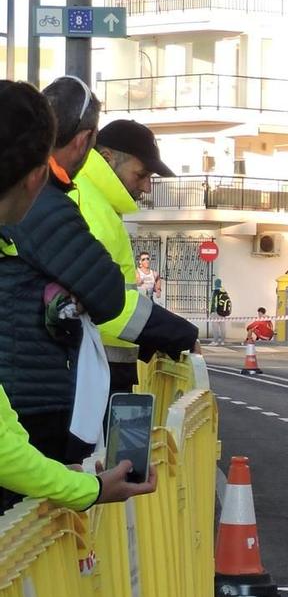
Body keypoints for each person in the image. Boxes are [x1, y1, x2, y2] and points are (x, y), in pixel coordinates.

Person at [0, 79, 146, 508]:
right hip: (42, 400)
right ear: (36, 177)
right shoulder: (53, 208)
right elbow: (4, 448)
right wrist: (91, 490)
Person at [65, 109, 199, 385]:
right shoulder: (87, 205)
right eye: (141, 175)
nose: (147, 187)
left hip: (97, 369)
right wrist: (177, 334)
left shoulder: (98, 204)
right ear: (106, 158)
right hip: (90, 375)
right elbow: (104, 300)